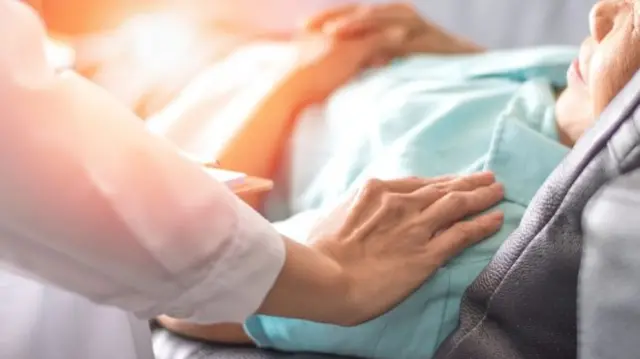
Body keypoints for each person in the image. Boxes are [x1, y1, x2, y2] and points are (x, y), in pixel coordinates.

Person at [0, 1, 506, 359]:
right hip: (194, 69)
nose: (591, 18)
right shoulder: (545, 75)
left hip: (173, 89)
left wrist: (295, 83)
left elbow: (187, 278)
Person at [154, 1, 640, 358]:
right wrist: (460, 62)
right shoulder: (576, 85)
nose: (599, 14)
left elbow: (178, 283)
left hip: (161, 127)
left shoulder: (451, 239)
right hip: (216, 53)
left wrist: (299, 83)